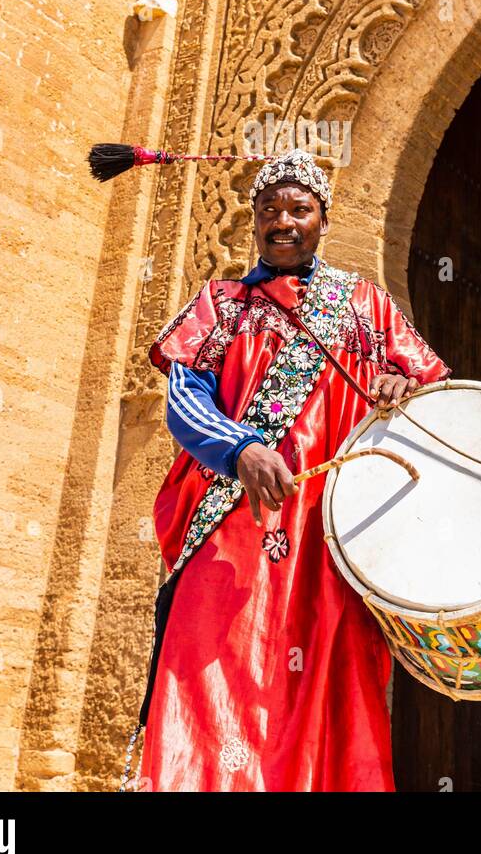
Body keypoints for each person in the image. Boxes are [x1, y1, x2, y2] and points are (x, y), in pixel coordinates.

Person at [135, 147, 451, 791]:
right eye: (270, 210)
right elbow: (184, 398)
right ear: (252, 222)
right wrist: (240, 448)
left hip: (328, 531)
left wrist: (396, 383)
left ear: (323, 220)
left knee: (330, 673)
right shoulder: (220, 305)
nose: (283, 221)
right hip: (231, 525)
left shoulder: (364, 303)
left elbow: (434, 392)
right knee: (207, 658)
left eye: (299, 209)